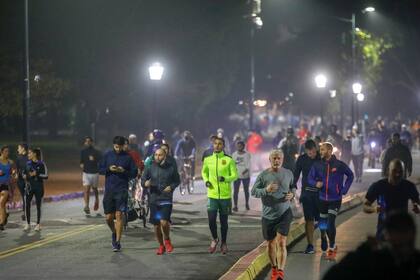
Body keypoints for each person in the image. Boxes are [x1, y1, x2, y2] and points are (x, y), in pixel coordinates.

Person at [323, 211, 420, 280]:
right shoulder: (375, 261)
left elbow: (333, 275)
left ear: (387, 235)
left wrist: (362, 252)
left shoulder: (374, 262)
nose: (401, 237)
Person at [251, 149, 296, 280]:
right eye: (274, 158)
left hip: (284, 213)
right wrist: (266, 189)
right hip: (268, 215)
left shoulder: (288, 173)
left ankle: (280, 272)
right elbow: (253, 192)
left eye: (279, 158)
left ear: (282, 160)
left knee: (282, 242)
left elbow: (293, 186)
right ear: (270, 160)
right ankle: (274, 269)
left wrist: (292, 194)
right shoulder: (263, 175)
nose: (277, 161)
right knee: (271, 243)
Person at [308, 142, 354, 260]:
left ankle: (332, 247)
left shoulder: (339, 165)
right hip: (322, 198)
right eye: (320, 150)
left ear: (329, 151)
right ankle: (323, 236)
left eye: (323, 150)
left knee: (330, 222)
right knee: (323, 223)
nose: (320, 152)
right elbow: (310, 178)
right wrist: (316, 183)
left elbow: (350, 175)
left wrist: (344, 189)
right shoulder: (317, 165)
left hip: (335, 199)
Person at [363, 159, 419, 240]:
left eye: (401, 171)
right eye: (394, 171)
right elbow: (365, 206)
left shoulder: (409, 186)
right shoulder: (378, 186)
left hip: (402, 234)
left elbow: (417, 202)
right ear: (388, 170)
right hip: (383, 233)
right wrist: (374, 209)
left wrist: (417, 208)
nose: (397, 174)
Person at [99, 136, 137, 252]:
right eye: (116, 147)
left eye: (120, 147)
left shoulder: (128, 158)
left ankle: (117, 242)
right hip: (109, 190)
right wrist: (109, 169)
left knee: (119, 215)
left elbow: (134, 173)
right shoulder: (107, 155)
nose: (118, 149)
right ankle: (114, 232)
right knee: (108, 217)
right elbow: (100, 169)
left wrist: (123, 171)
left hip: (122, 190)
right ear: (113, 145)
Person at [202, 137, 238, 254]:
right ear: (213, 145)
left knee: (224, 222)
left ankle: (224, 243)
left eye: (220, 144)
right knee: (211, 220)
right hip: (212, 195)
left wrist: (225, 178)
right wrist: (206, 180)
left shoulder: (229, 160)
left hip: (225, 196)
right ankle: (215, 239)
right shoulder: (208, 159)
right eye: (215, 144)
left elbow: (235, 175)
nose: (217, 146)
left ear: (223, 146)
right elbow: (204, 172)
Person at [141, 148, 180, 255]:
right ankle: (161, 245)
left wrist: (171, 187)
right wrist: (145, 184)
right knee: (157, 225)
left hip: (166, 199)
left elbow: (177, 180)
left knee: (164, 222)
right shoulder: (150, 167)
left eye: (160, 155)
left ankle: (167, 239)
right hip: (154, 199)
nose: (157, 157)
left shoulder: (171, 168)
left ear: (165, 156)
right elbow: (143, 180)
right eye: (156, 155)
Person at [293, 139, 320, 254]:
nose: (312, 155)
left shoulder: (322, 158)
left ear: (316, 149)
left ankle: (324, 239)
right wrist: (292, 187)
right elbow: (296, 174)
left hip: (321, 194)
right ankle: (310, 245)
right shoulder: (302, 159)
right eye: (309, 153)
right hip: (307, 194)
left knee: (321, 218)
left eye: (314, 152)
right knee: (309, 219)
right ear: (306, 151)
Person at [24, 147, 48, 232]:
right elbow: (24, 173)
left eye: (30, 153)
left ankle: (38, 224)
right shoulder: (27, 163)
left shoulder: (41, 164)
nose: (28, 155)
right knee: (27, 204)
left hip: (38, 187)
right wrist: (24, 176)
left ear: (34, 154)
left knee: (38, 205)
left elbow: (46, 176)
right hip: (29, 187)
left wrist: (36, 174)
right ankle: (28, 223)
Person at [80, 136, 102, 215]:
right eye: (86, 141)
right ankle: (86, 206)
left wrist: (94, 159)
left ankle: (96, 199)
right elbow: (81, 161)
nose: (88, 142)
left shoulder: (96, 152)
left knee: (94, 189)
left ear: (92, 142)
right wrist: (82, 165)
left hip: (94, 173)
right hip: (86, 173)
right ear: (85, 142)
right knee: (87, 189)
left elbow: (101, 161)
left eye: (89, 141)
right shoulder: (83, 151)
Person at [232, 141, 251, 211]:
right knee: (235, 191)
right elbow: (232, 164)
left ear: (243, 146)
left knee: (246, 191)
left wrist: (244, 172)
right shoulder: (234, 154)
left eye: (240, 146)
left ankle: (247, 204)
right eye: (238, 146)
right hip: (236, 176)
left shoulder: (247, 154)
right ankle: (235, 206)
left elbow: (248, 165)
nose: (239, 147)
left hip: (246, 176)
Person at [0, 146, 15, 231]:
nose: (7, 153)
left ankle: (1, 224)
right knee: (2, 205)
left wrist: (13, 174)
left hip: (5, 185)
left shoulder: (10, 162)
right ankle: (5, 216)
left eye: (8, 151)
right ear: (1, 152)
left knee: (1, 203)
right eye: (5, 151)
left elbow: (13, 173)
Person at [16, 143, 29, 221]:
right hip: (20, 181)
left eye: (19, 148)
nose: (18, 150)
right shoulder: (18, 158)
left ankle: (25, 213)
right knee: (24, 196)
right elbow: (17, 169)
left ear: (23, 148)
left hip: (28, 181)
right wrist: (16, 174)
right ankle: (25, 212)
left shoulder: (29, 157)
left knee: (26, 197)